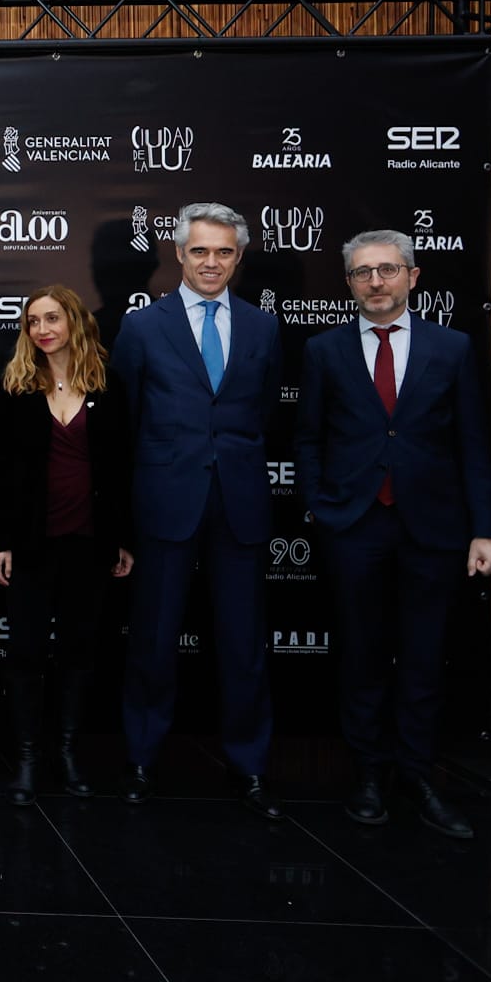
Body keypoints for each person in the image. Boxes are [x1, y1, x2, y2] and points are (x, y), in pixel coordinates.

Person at [295, 229, 491, 838]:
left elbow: (472, 445)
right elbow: (307, 439)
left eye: (388, 270)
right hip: (354, 525)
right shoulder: (324, 351)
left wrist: (483, 530)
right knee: (359, 655)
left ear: (413, 277)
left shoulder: (454, 348)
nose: (376, 281)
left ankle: (417, 773)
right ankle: (367, 772)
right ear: (350, 283)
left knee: (421, 658)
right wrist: (320, 504)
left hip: (433, 528)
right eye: (363, 273)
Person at [111, 201, 283, 818]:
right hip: (163, 504)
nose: (212, 263)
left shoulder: (263, 328)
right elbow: (125, 424)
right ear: (178, 254)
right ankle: (140, 760)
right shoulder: (142, 328)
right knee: (153, 641)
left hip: (239, 504)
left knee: (243, 644)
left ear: (239, 257)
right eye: (200, 251)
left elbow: (262, 413)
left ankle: (251, 767)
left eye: (225, 252)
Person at [0, 284, 133, 805]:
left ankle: (67, 754)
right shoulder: (15, 387)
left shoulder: (109, 386)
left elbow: (121, 470)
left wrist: (121, 539)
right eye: (33, 322)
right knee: (26, 651)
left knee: (79, 651)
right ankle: (27, 758)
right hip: (31, 542)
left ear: (74, 322)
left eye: (52, 319)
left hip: (90, 543)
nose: (42, 329)